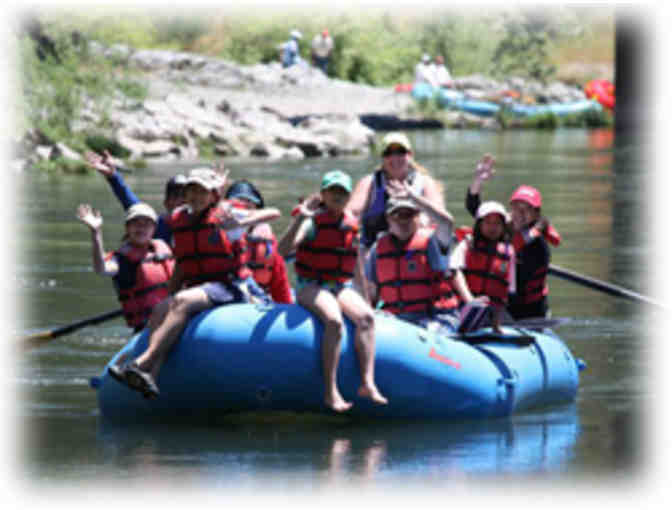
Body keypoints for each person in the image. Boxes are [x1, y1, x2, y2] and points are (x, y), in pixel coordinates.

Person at [110, 167, 282, 399]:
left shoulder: (225, 214)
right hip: (200, 286)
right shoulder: (180, 218)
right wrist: (169, 295)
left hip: (230, 286)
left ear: (212, 195)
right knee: (161, 309)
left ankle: (142, 362)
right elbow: (182, 263)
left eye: (202, 192)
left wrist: (241, 220)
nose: (196, 196)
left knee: (182, 300)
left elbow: (274, 212)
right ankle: (151, 376)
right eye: (191, 191)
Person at [278, 170, 387, 412]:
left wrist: (366, 299)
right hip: (310, 285)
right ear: (323, 195)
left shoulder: (351, 225)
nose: (337, 196)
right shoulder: (311, 222)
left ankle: (367, 383)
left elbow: (356, 265)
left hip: (338, 285)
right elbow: (282, 252)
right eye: (332, 191)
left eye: (342, 192)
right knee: (334, 321)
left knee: (367, 318)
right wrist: (299, 219)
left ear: (348, 197)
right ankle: (331, 391)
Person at [465, 155, 561, 320]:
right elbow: (474, 207)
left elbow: (517, 283)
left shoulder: (538, 247)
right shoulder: (502, 225)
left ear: (536, 214)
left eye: (526, 209)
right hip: (500, 307)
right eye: (516, 207)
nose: (519, 214)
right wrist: (478, 180)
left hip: (530, 312)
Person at [364, 181, 461, 335]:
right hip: (396, 318)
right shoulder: (378, 249)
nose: (403, 220)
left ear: (418, 217)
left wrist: (415, 198)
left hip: (435, 318)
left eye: (409, 215)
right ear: (388, 219)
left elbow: (446, 223)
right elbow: (371, 292)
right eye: (398, 215)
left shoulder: (433, 242)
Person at [76, 202, 174, 333]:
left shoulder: (163, 248)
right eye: (136, 223)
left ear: (154, 228)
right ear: (127, 228)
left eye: (146, 223)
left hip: (175, 317)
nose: (141, 228)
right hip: (147, 328)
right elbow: (101, 268)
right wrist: (96, 233)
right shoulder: (122, 260)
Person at [347, 131, 445, 252]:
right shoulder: (369, 183)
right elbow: (352, 212)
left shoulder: (425, 182)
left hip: (415, 253)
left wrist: (412, 199)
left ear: (410, 155)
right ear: (382, 158)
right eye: (388, 153)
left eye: (400, 152)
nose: (395, 158)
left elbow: (441, 217)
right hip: (375, 253)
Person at [84, 150, 187, 245]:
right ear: (166, 203)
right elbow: (130, 202)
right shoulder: (155, 225)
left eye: (186, 196)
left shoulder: (197, 223)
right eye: (176, 196)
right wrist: (113, 176)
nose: (182, 200)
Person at [450, 201, 515, 333]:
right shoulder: (467, 245)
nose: (492, 227)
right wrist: (470, 301)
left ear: (503, 227)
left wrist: (496, 324)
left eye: (497, 223)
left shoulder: (508, 253)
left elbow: (507, 290)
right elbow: (454, 271)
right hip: (463, 307)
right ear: (479, 225)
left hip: (492, 314)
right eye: (488, 223)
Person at [225, 179, 293, 304]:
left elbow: (279, 281)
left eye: (249, 203)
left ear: (257, 210)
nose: (243, 206)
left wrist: (286, 305)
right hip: (229, 294)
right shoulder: (220, 232)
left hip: (258, 298)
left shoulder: (267, 241)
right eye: (238, 202)